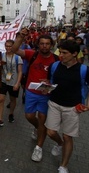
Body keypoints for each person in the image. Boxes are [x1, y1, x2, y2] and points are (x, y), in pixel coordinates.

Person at [45, 40, 89, 173]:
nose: (61, 55)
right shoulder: (54, 66)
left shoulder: (84, 70)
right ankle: (59, 143)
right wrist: (45, 87)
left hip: (73, 107)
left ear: (74, 54)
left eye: (65, 53)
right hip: (54, 104)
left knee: (68, 136)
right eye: (60, 52)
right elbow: (50, 83)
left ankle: (63, 165)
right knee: (50, 132)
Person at [11, 30, 59, 162]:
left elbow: (59, 77)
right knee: (29, 116)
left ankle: (39, 148)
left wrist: (50, 83)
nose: (44, 46)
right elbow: (15, 49)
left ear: (51, 45)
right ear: (38, 44)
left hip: (46, 94)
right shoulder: (32, 54)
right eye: (42, 43)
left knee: (42, 120)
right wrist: (21, 36)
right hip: (31, 92)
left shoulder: (56, 59)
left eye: (47, 44)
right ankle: (38, 128)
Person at [0, 40, 23, 127]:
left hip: (13, 82)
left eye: (10, 46)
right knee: (0, 99)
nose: (8, 48)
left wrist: (17, 83)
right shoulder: (1, 56)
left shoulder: (18, 57)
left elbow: (20, 71)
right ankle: (0, 119)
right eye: (6, 46)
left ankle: (11, 113)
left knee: (12, 99)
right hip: (3, 81)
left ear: (13, 47)